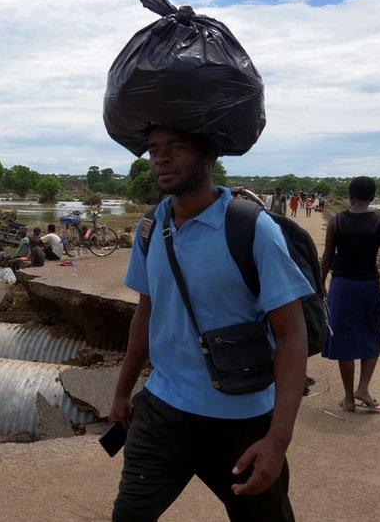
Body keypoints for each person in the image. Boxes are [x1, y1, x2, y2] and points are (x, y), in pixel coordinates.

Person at [109, 126, 311, 521]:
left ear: (209, 157)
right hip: (163, 409)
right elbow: (145, 313)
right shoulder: (150, 228)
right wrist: (122, 391)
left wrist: (277, 439)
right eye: (153, 150)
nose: (161, 159)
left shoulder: (252, 229)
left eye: (176, 148)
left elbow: (291, 333)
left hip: (241, 421)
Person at [320, 176, 380, 413]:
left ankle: (348, 398)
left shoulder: (336, 222)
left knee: (344, 339)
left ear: (350, 195)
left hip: (342, 287)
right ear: (373, 197)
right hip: (368, 287)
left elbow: (327, 258)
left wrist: (319, 284)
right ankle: (363, 388)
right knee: (371, 335)